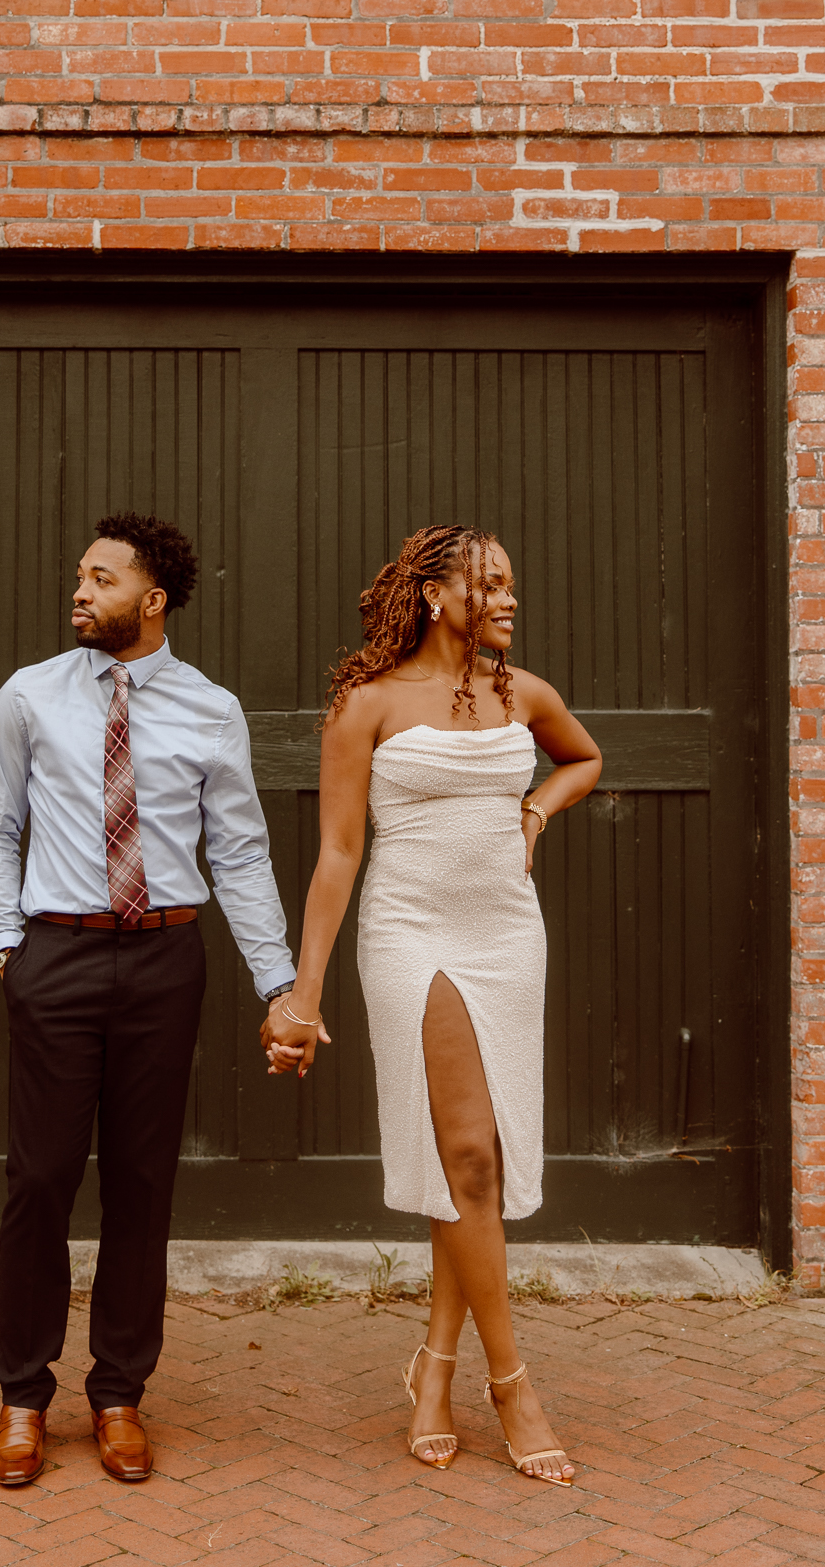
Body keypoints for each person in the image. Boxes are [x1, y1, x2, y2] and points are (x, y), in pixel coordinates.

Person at [0, 512, 300, 1488]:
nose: (81, 589)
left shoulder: (211, 708)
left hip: (165, 963)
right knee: (40, 1179)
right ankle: (22, 1393)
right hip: (56, 957)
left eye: (102, 577)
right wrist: (4, 943)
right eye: (79, 573)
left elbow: (238, 850)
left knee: (142, 1183)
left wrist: (276, 979)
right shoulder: (29, 695)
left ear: (151, 600)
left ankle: (118, 1393)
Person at [265, 524, 601, 1485]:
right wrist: (303, 990)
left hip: (506, 935)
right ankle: (512, 1381)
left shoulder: (518, 692)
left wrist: (535, 810)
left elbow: (582, 759)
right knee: (462, 1154)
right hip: (412, 936)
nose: (505, 600)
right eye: (487, 584)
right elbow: (338, 853)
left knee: (479, 1164)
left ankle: (434, 1367)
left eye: (509, 585)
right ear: (431, 595)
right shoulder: (365, 706)